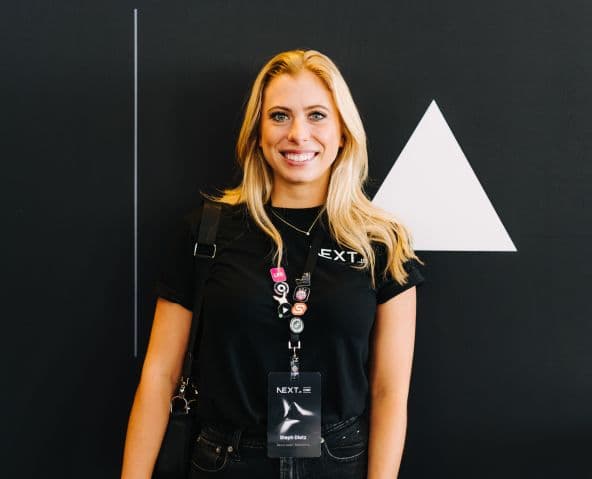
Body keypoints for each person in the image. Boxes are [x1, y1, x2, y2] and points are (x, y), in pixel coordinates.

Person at [121, 49, 424, 479]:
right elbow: (160, 374)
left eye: (317, 115)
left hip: (337, 460)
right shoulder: (207, 230)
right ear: (258, 135)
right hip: (226, 460)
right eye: (280, 116)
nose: (298, 134)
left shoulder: (382, 242)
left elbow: (390, 391)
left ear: (343, 133)